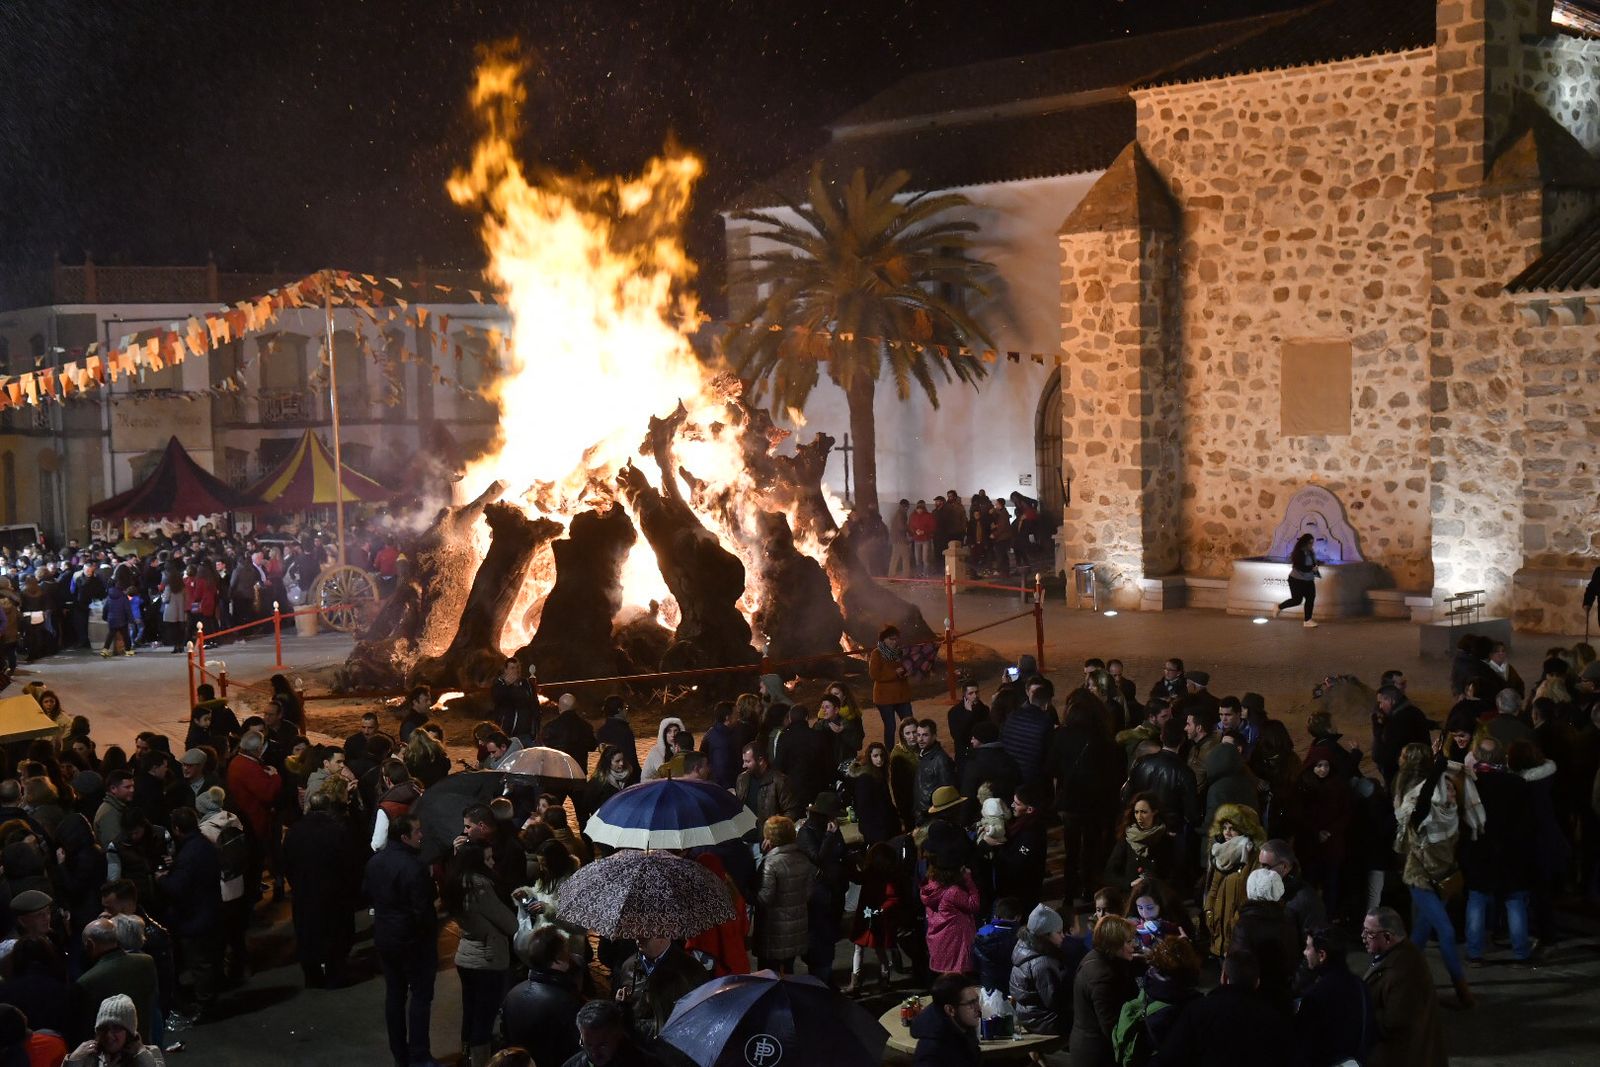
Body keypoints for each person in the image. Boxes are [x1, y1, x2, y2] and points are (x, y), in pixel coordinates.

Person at [1392, 742, 1475, 1007]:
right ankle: (1462, 991)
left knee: (1419, 934)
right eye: (1446, 789)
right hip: (1422, 879)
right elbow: (1424, 799)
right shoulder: (1423, 814)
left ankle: (1398, 981)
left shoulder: (1449, 815)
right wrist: (1439, 765)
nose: (1450, 792)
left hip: (1442, 878)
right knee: (1446, 932)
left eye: (1452, 788)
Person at [364, 814, 441, 1067]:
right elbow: (423, 911)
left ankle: (400, 1054)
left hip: (386, 936)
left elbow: (367, 892)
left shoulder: (376, 862)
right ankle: (419, 1054)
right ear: (404, 837)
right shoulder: (413, 866)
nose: (422, 835)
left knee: (395, 996)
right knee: (420, 996)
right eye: (417, 831)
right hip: (412, 941)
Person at [1156, 949, 1292, 1066]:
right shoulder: (1274, 1019)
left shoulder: (1198, 1011)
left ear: (1224, 978)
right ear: (1257, 982)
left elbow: (1169, 1057)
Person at [282, 790, 361, 988]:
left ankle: (312, 976)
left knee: (308, 935)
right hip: (334, 893)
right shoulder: (338, 830)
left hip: (305, 893)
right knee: (336, 935)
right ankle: (336, 975)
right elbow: (350, 863)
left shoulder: (295, 832)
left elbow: (286, 863)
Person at [1361, 906, 1446, 1067]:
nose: (1363, 937)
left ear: (1387, 937)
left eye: (1369, 933)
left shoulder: (1401, 972)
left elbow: (1392, 1024)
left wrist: (1358, 1012)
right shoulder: (1398, 954)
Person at [500, 927, 584, 1066]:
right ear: (557, 958)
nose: (570, 955)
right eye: (566, 951)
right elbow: (575, 1048)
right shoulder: (564, 1002)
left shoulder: (513, 994)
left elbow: (506, 1038)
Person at [1294, 925, 1373, 1067]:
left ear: (1322, 955)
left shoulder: (1314, 996)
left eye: (1308, 947)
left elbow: (1305, 1050)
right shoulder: (1361, 986)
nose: (1304, 952)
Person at [613, 936, 711, 1046]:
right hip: (636, 1046)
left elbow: (699, 1017)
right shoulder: (628, 966)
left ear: (664, 935)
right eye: (637, 933)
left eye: (646, 935)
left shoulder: (691, 970)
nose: (638, 939)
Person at [72, 919, 157, 1045]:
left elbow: (84, 1030)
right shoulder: (146, 962)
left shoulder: (86, 982)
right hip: (142, 1044)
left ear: (90, 944)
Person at [1069, 914, 1137, 1067]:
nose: (1134, 945)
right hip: (1097, 1055)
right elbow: (1111, 1026)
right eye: (1129, 941)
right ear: (1114, 944)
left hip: (1089, 1046)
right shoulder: (1102, 977)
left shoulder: (1098, 957)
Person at [1008, 903, 1084, 1035]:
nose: (1063, 936)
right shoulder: (1042, 962)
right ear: (1045, 935)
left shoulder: (1024, 948)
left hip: (1029, 1015)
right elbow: (1055, 1001)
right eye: (1059, 932)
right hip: (1043, 1020)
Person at [753, 816, 814, 973]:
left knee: (769, 975)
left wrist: (748, 893)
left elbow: (765, 898)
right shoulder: (803, 859)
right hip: (796, 928)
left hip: (773, 931)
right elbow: (808, 894)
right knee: (788, 971)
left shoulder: (770, 864)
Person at [64, 994, 161, 1067]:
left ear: (129, 1032)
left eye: (116, 1028)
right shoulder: (88, 1058)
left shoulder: (151, 1054)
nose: (108, 1035)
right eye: (103, 1028)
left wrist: (141, 1054)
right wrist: (73, 1060)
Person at [921, 861, 980, 975]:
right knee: (956, 980)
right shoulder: (953, 891)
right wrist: (968, 879)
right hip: (955, 943)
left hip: (939, 942)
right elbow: (974, 905)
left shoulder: (930, 889)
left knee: (946, 979)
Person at [910, 972, 981, 1067]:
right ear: (950, 1010)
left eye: (977, 1000)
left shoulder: (964, 1029)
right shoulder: (931, 1054)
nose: (979, 1008)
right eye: (971, 1003)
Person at [562, 998, 660, 1067]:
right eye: (588, 1045)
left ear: (618, 1034)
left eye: (602, 1045)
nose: (594, 1053)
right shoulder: (573, 1064)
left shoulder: (647, 1063)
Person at [868, 625, 914, 750]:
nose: (894, 642)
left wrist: (906, 671)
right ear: (884, 640)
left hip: (902, 695)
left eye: (896, 639)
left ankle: (911, 749)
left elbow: (906, 667)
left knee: (909, 724)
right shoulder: (877, 653)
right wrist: (895, 673)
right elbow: (874, 674)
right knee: (890, 727)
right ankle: (890, 753)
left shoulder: (901, 652)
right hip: (884, 698)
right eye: (891, 639)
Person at [1274, 532, 1321, 627]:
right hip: (1296, 580)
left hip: (1309, 580)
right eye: (1310, 543)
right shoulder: (1298, 553)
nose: (1311, 545)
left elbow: (1313, 563)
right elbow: (1300, 567)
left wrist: (1317, 565)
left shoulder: (1311, 552)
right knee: (1297, 600)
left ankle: (1307, 620)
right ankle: (1279, 606)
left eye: (1312, 543)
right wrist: (1311, 569)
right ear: (1304, 543)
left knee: (1310, 598)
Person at [491, 658, 539, 748]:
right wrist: (507, 684)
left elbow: (535, 705)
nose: (516, 671)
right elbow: (497, 699)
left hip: (527, 734)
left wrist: (536, 730)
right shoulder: (499, 684)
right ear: (505, 670)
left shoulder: (527, 684)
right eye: (512, 668)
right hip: (508, 734)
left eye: (517, 667)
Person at [946, 682, 988, 760]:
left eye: (977, 692)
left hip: (982, 752)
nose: (975, 696)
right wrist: (968, 715)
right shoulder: (954, 712)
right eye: (971, 693)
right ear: (964, 695)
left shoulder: (984, 709)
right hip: (964, 754)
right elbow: (957, 736)